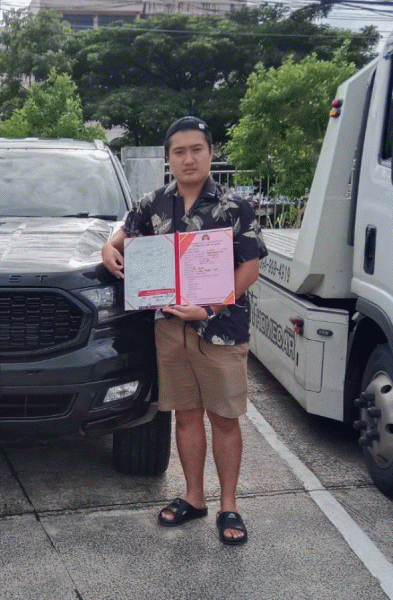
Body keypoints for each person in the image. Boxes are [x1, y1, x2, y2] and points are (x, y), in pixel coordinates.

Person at [102, 116, 267, 546]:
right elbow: (121, 235)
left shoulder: (234, 207)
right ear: (168, 159)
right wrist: (108, 247)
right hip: (170, 327)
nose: (188, 158)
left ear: (210, 153)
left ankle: (229, 504)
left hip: (221, 328)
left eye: (197, 149)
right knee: (186, 414)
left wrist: (209, 305)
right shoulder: (152, 204)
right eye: (179, 151)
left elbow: (249, 266)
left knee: (225, 419)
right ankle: (195, 497)